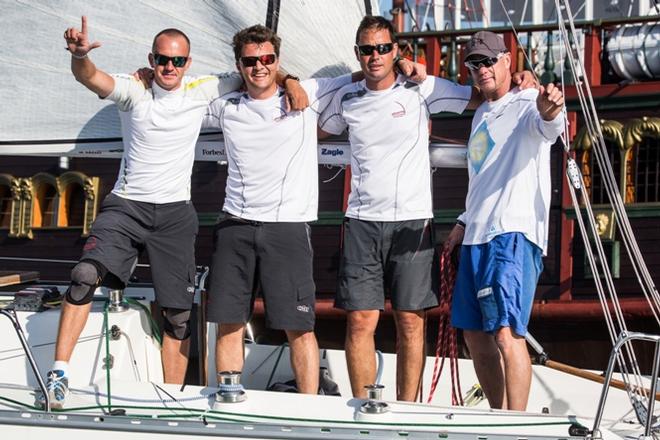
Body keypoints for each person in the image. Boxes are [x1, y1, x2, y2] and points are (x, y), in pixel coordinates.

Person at [42, 16, 305, 408]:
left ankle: (171, 400)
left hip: (176, 213)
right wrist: (79, 57)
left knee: (178, 315)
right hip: (127, 204)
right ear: (152, 58)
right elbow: (91, 77)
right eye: (163, 60)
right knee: (83, 276)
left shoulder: (206, 87)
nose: (169, 68)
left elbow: (259, 69)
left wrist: (291, 80)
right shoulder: (135, 90)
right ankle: (59, 374)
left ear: (189, 63)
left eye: (178, 61)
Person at [319, 16, 536, 401]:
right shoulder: (346, 97)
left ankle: (406, 408)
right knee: (359, 322)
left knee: (411, 322)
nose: (375, 56)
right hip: (361, 220)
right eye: (367, 50)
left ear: (396, 50)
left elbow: (479, 94)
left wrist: (519, 78)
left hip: (413, 220)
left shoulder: (422, 89)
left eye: (384, 48)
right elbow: (314, 126)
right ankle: (363, 406)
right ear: (357, 54)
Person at [204, 24, 426, 394]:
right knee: (229, 322)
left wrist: (401, 62)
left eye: (268, 60)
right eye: (250, 61)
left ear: (278, 60)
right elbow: (180, 95)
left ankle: (309, 408)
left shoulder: (309, 94)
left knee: (300, 327)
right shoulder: (224, 106)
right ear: (239, 64)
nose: (259, 67)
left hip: (288, 228)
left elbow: (367, 72)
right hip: (235, 224)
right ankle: (228, 397)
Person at [444, 31, 564, 411]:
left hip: (510, 233)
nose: (482, 70)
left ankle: (515, 424)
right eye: (474, 64)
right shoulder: (481, 113)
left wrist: (551, 107)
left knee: (506, 333)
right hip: (477, 234)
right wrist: (463, 221)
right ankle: (497, 416)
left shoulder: (528, 101)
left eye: (489, 61)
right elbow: (482, 176)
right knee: (474, 337)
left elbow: (548, 125)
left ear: (507, 61)